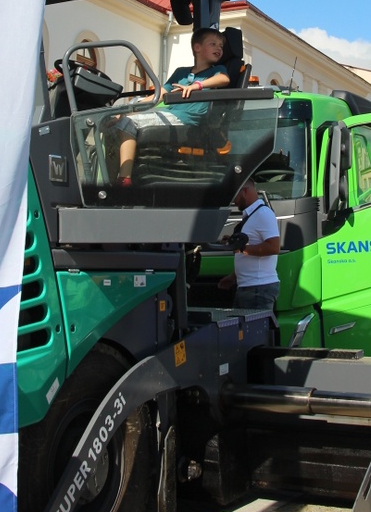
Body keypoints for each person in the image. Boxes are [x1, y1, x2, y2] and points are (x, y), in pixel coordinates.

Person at [115, 27, 230, 183]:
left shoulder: (217, 71)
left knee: (128, 123)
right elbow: (159, 95)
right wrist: (128, 110)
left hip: (185, 119)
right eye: (213, 44)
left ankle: (124, 179)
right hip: (169, 113)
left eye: (221, 46)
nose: (219, 48)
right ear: (197, 47)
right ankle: (110, 176)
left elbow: (224, 79)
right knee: (115, 121)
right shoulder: (180, 72)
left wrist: (197, 86)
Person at [217, 177, 280, 311]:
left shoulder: (263, 214)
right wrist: (234, 276)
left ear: (245, 191)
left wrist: (241, 249)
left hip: (259, 289)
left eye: (235, 195)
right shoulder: (251, 216)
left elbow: (274, 247)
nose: (233, 201)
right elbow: (250, 245)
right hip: (249, 287)